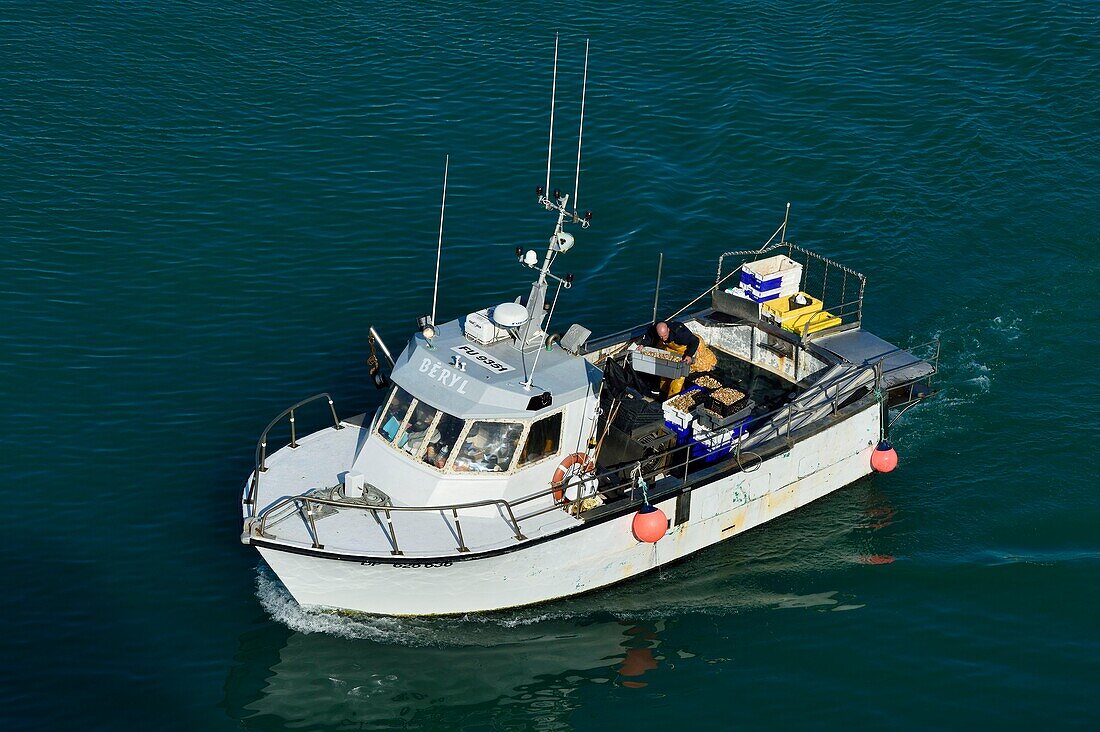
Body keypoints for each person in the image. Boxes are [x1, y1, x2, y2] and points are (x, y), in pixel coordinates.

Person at [639, 320, 717, 398]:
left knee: (679, 375)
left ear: (668, 330)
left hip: (687, 348)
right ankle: (663, 392)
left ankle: (672, 397)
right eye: (661, 336)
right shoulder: (655, 330)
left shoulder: (680, 333)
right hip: (672, 349)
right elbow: (649, 336)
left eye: (665, 335)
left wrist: (689, 355)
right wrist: (643, 344)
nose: (663, 338)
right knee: (666, 371)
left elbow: (695, 341)